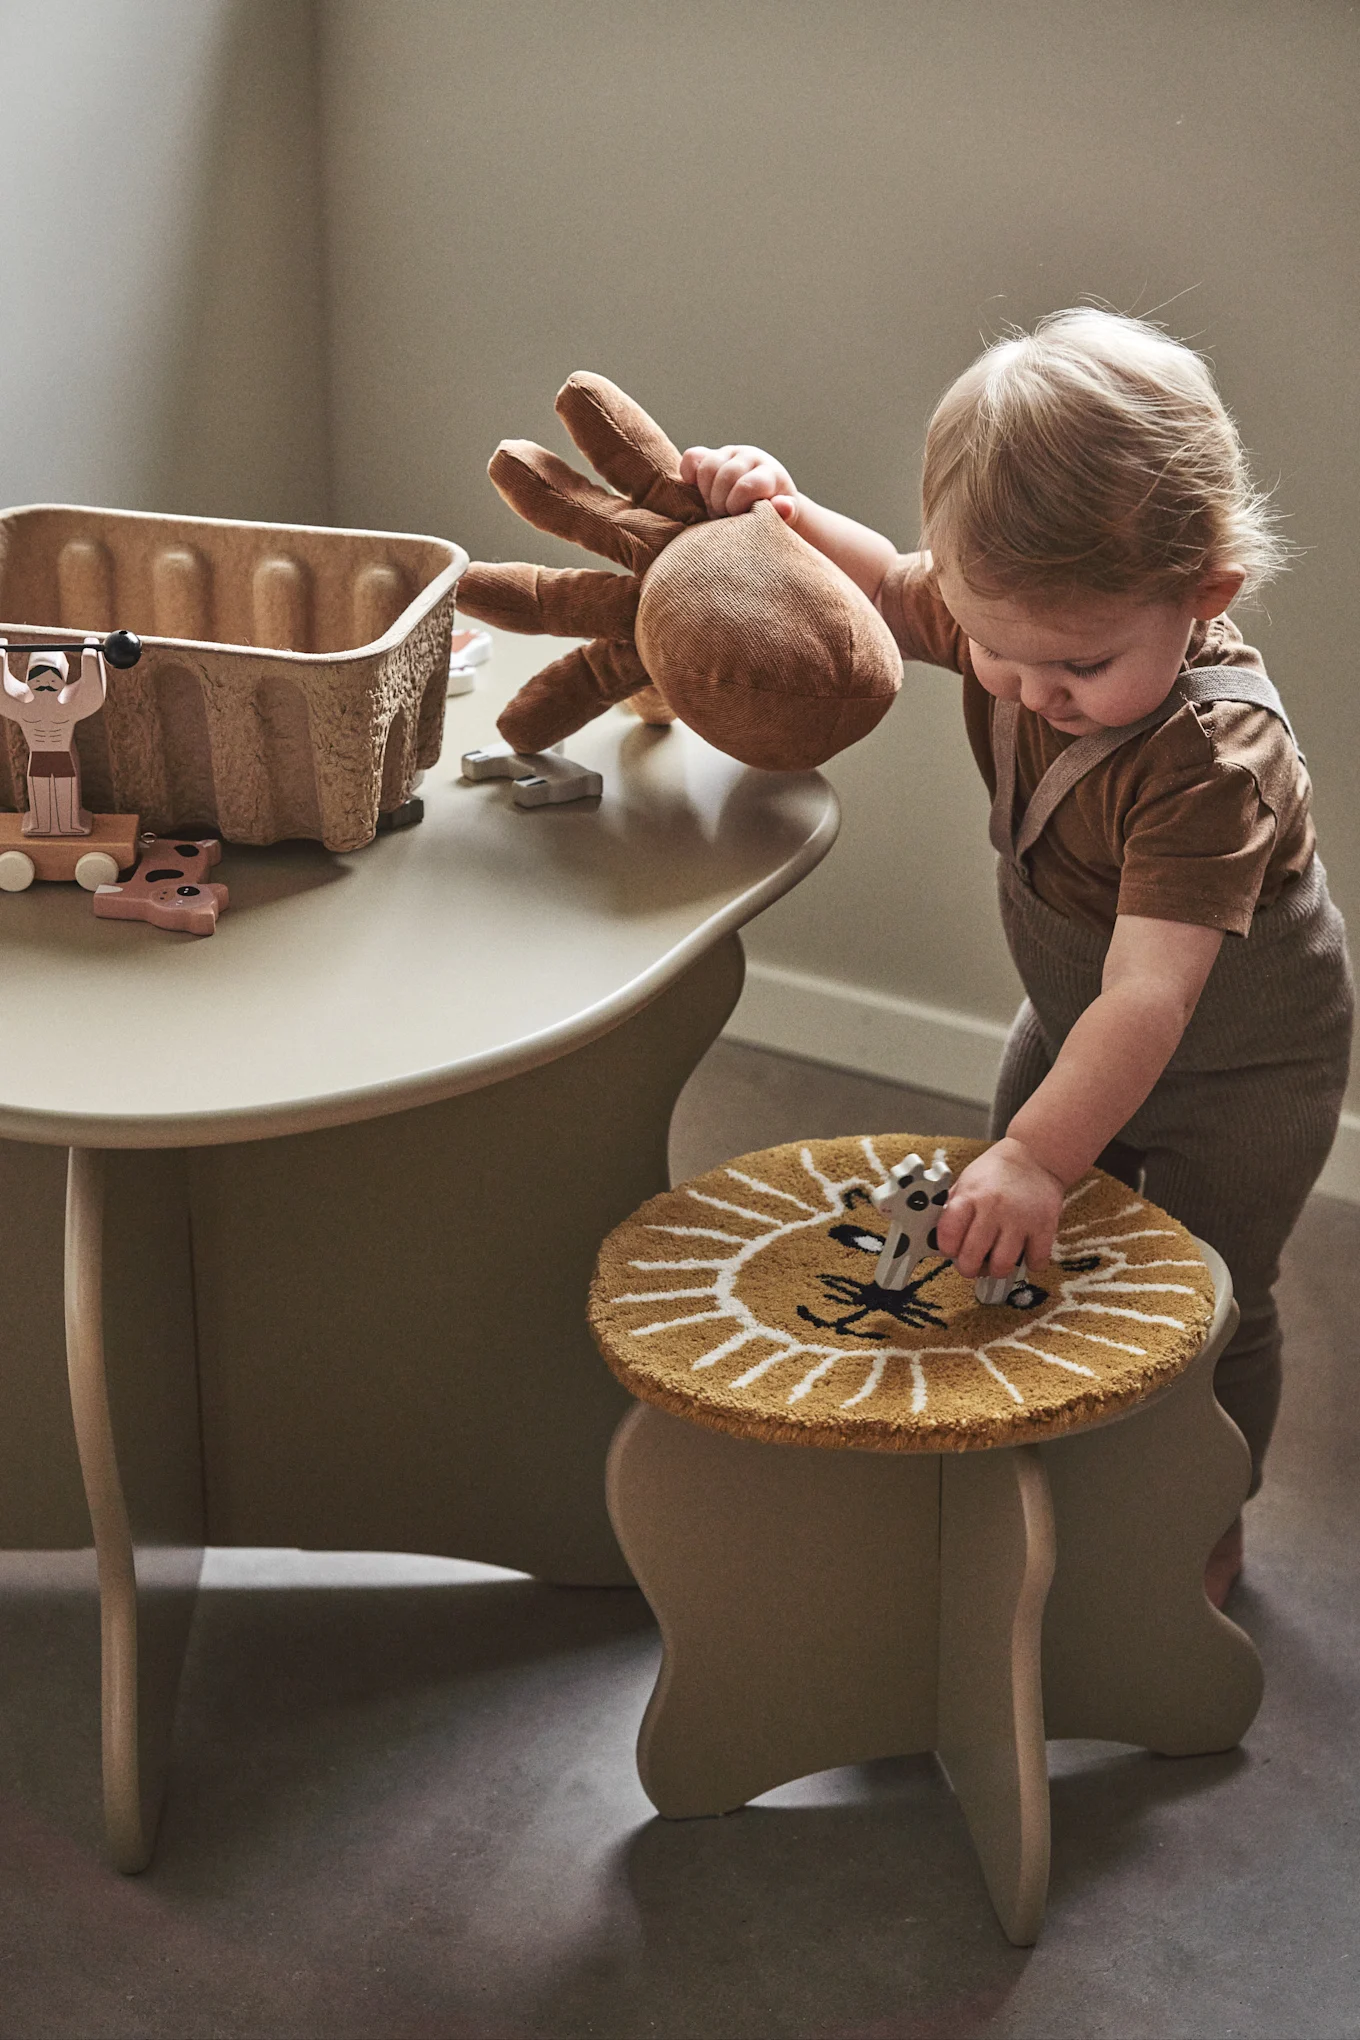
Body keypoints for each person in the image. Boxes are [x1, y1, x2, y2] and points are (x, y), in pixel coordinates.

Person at [680, 308, 1353, 1605]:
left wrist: (1043, 1153)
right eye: (996, 649)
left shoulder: (1212, 765)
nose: (1032, 690)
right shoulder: (1012, 623)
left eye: (1081, 664)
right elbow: (884, 588)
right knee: (1005, 1239)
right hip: (1072, 1015)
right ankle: (1044, 1453)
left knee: (1212, 1297)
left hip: (1236, 1072)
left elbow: (1151, 997)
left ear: (1204, 594)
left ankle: (1202, 1517)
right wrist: (777, 511)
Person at [0, 636, 107, 835]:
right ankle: (39, 825)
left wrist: (90, 656)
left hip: (63, 757)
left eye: (52, 680)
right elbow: (3, 696)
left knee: (66, 791)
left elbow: (93, 695)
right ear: (28, 681)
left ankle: (70, 824)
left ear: (62, 680)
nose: (45, 685)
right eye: (38, 681)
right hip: (38, 757)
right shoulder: (24, 707)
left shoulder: (67, 707)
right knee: (39, 791)